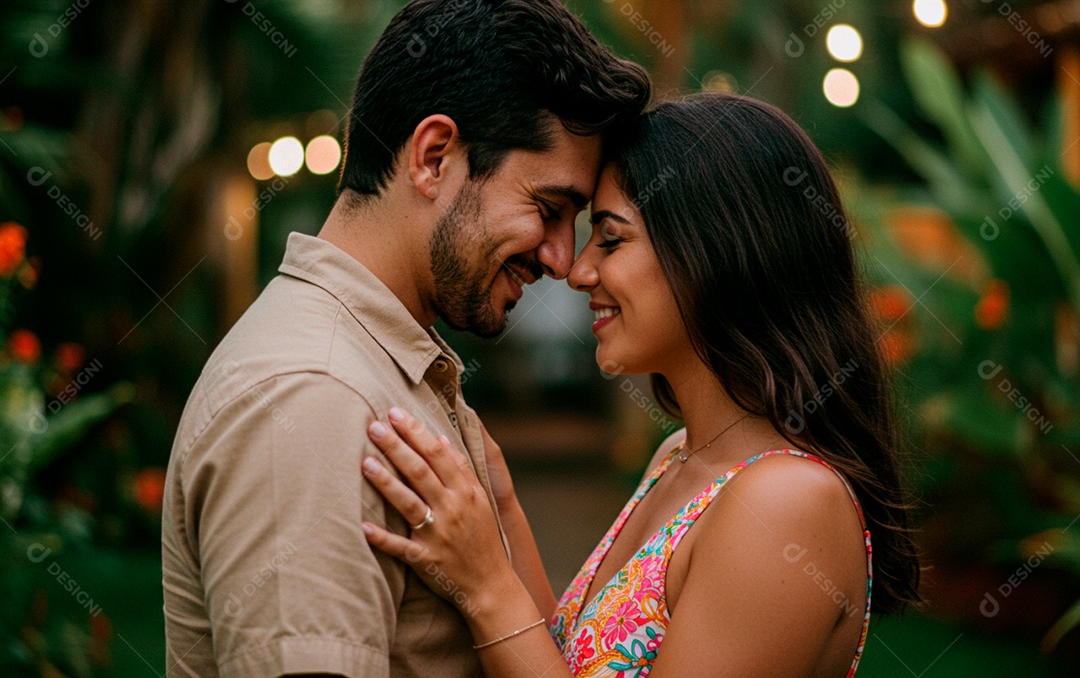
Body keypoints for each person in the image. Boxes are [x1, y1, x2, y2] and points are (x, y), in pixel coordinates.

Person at [161, 0, 649, 678]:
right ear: (432, 157)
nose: (560, 260)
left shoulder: (372, 366)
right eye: (548, 209)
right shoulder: (314, 397)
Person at [360, 93, 923, 677]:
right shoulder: (676, 458)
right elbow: (576, 662)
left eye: (611, 238)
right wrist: (499, 502)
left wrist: (485, 586)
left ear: (713, 251)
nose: (578, 272)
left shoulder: (785, 504)